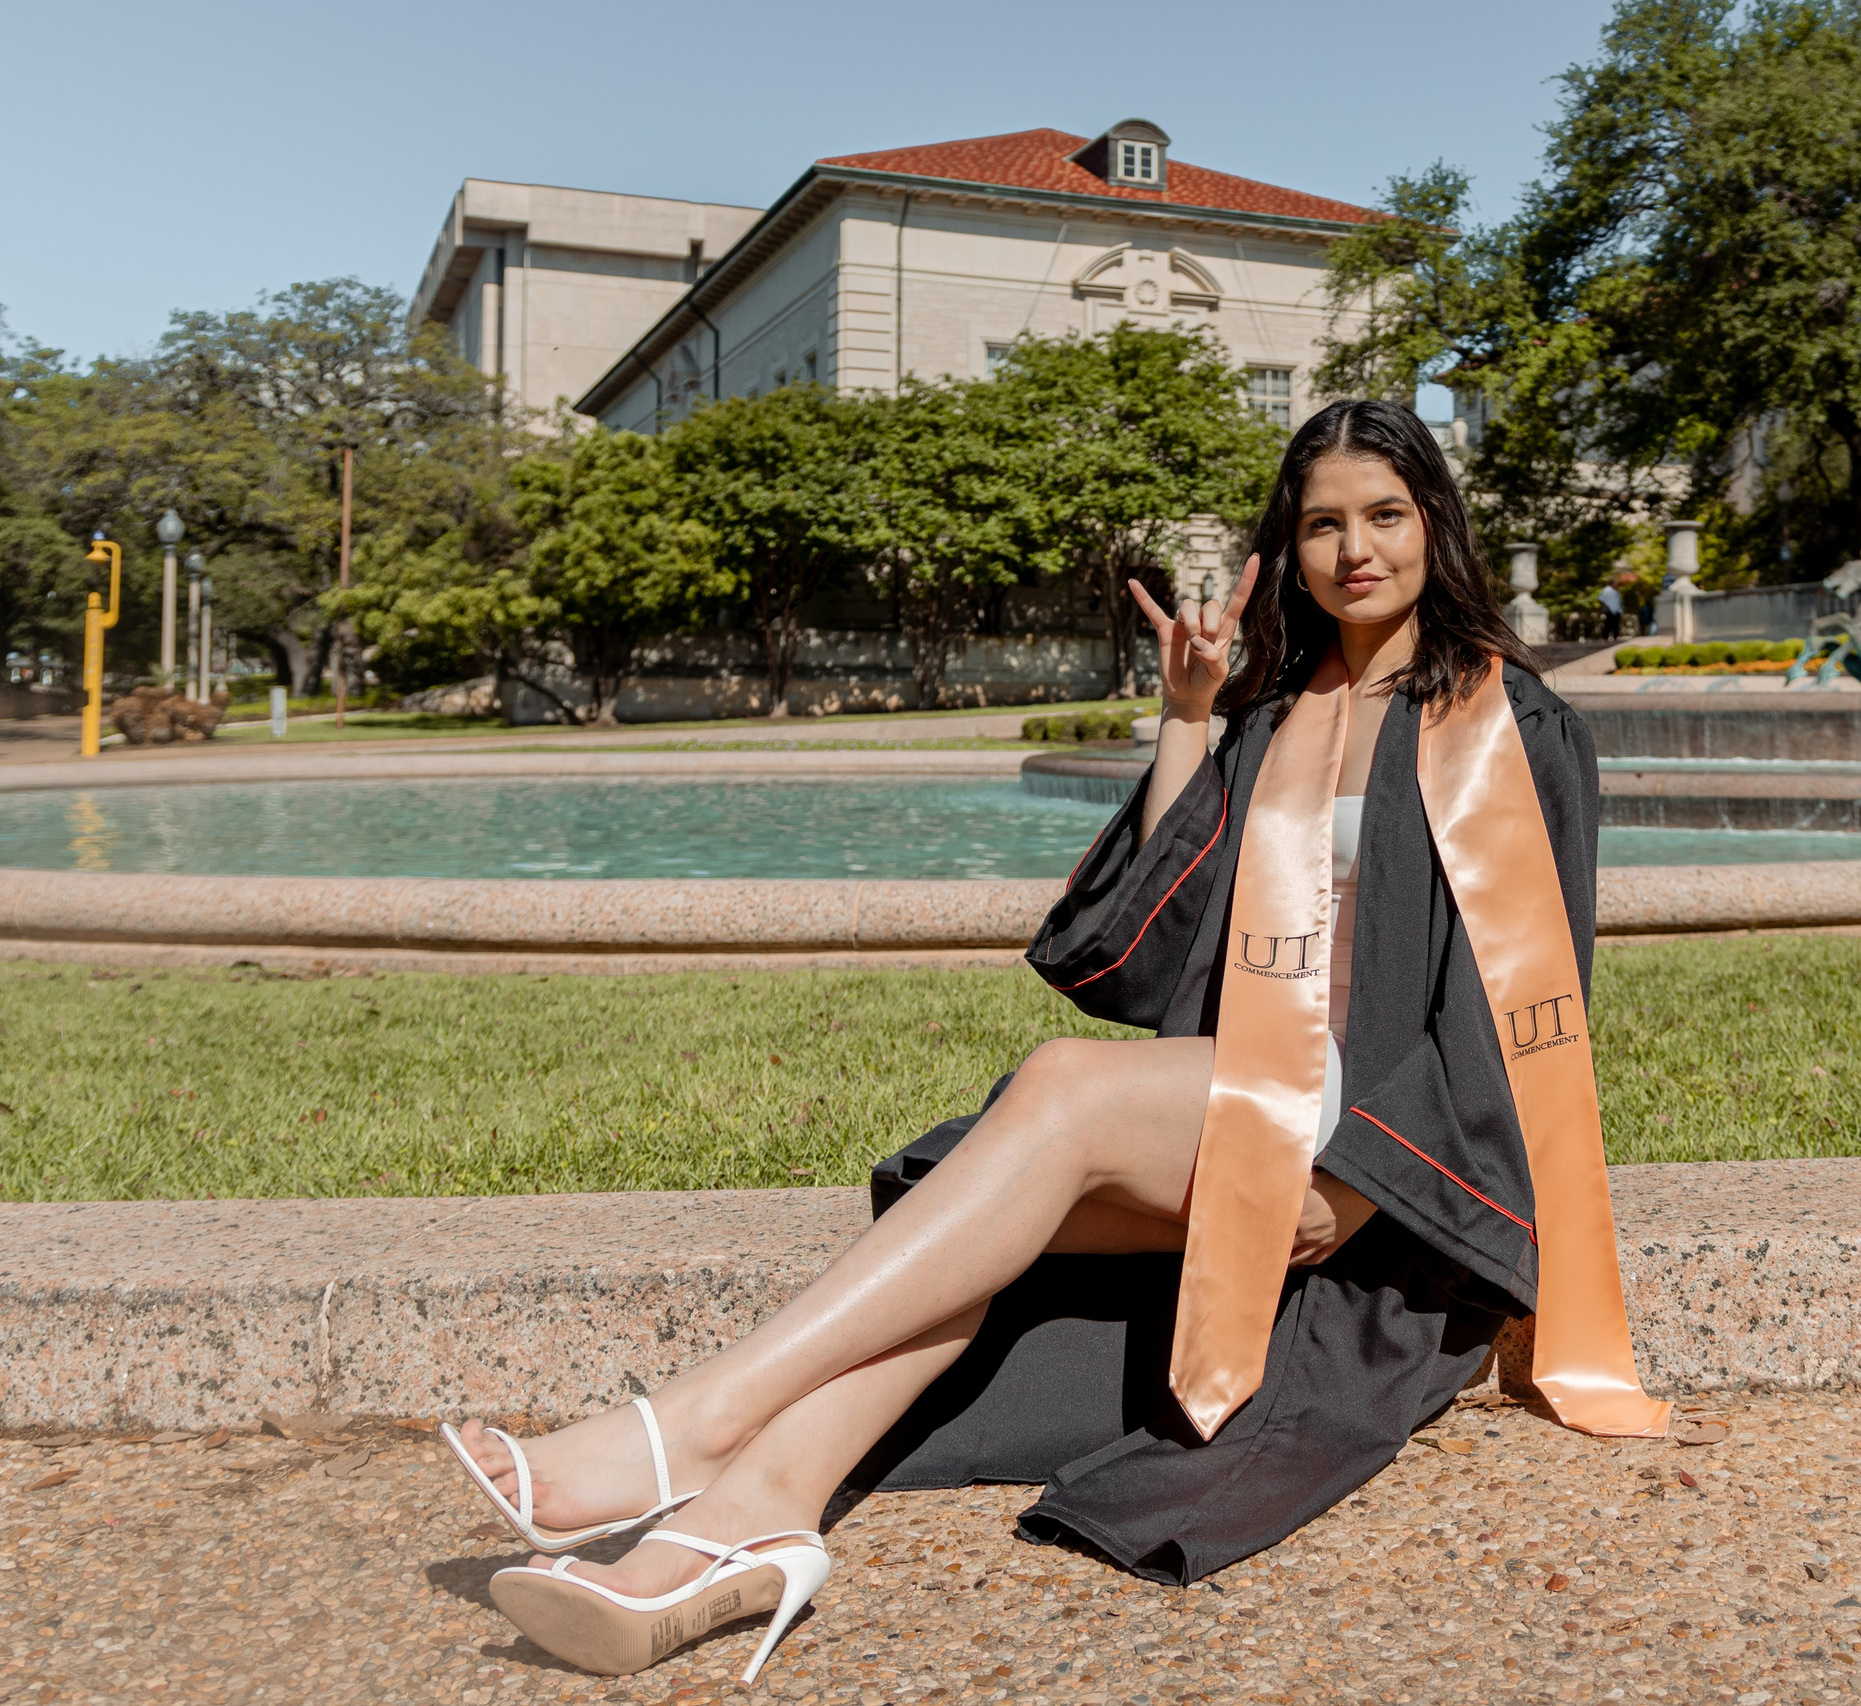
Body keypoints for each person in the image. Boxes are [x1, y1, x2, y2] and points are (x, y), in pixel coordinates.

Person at [440, 398, 1666, 1686]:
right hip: (1243, 1090)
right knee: (982, 1237)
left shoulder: (1514, 727)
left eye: (1384, 516)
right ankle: (748, 1526)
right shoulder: (1268, 719)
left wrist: (1359, 1189)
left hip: (1381, 1152)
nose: (1355, 549)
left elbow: (1521, 1004)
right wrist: (1188, 717)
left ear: (1437, 526)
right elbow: (1155, 950)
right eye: (1322, 523)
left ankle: (692, 1425)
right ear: (1288, 545)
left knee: (1056, 1099)